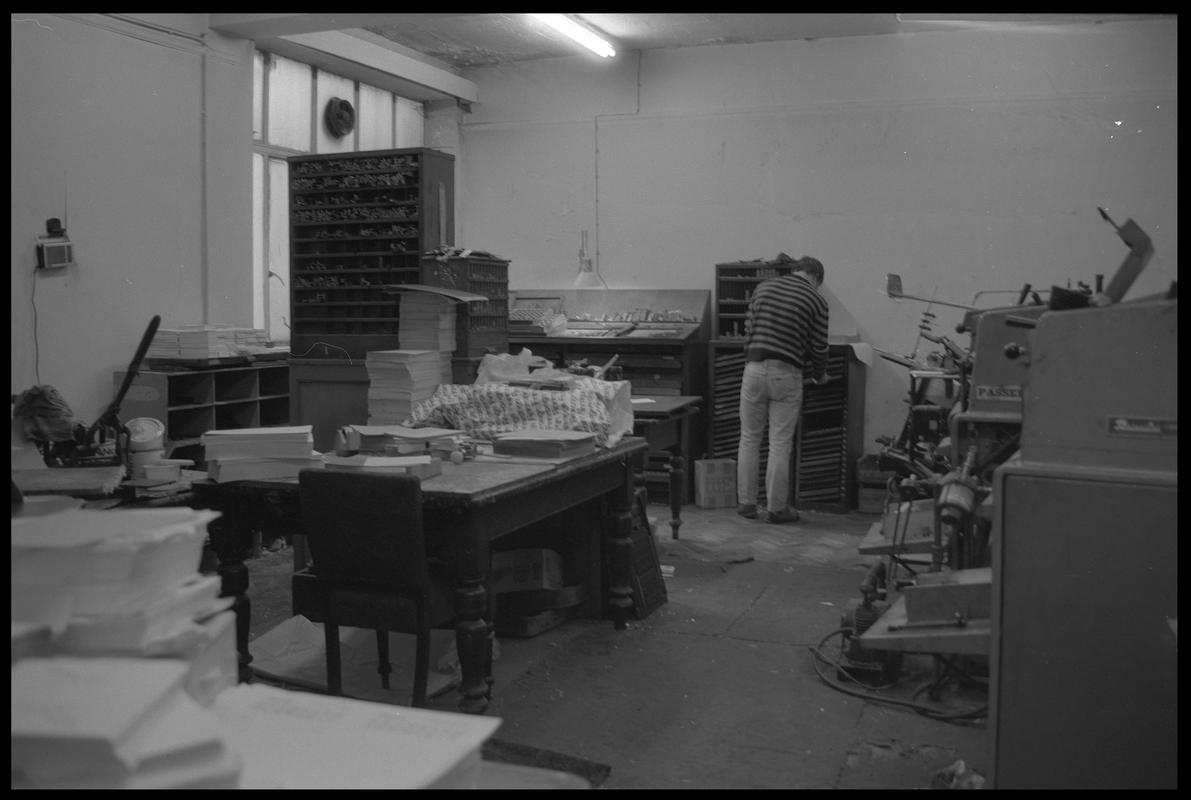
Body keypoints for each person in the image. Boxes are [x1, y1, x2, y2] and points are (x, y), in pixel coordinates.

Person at [736, 256, 830, 523]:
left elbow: (748, 327)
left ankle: (746, 504)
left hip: (753, 368)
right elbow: (819, 346)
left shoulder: (764, 287)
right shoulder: (817, 300)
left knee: (749, 437)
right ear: (816, 277)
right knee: (779, 443)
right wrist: (820, 375)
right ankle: (777, 509)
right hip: (787, 373)